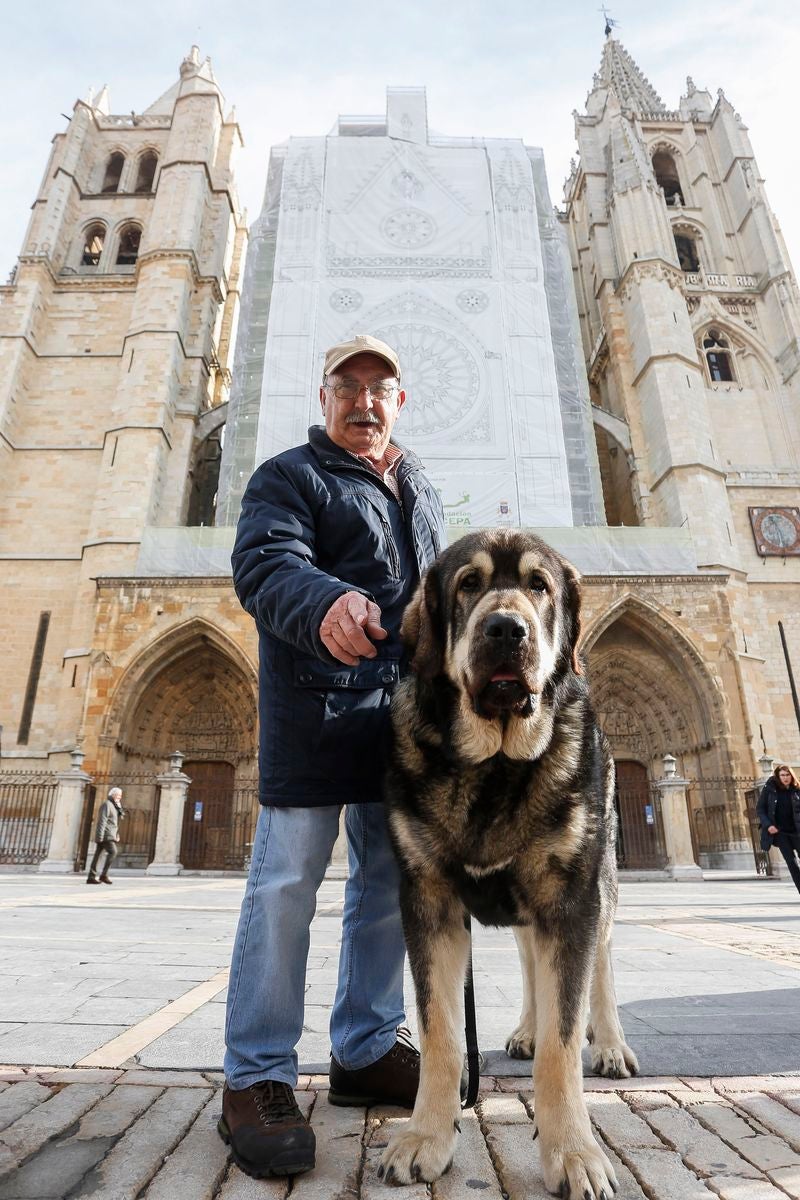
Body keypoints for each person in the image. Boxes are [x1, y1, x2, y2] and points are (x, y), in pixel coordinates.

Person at [219, 334, 446, 1180]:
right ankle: (257, 1077)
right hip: (316, 707)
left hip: (403, 723)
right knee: (285, 888)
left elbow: (434, 597)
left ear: (399, 399)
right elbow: (265, 565)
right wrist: (326, 601)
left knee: (390, 887)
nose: (364, 401)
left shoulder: (418, 483)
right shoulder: (287, 476)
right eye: (347, 387)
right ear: (324, 399)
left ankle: (362, 1051)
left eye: (380, 387)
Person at [757, 763, 800, 893]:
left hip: (797, 831)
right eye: (782, 775)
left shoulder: (797, 790)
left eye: (788, 775)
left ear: (792, 776)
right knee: (792, 863)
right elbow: (760, 809)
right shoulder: (770, 789)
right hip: (781, 833)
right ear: (777, 776)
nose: (785, 778)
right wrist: (768, 825)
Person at [86, 787, 124, 885]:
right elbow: (102, 821)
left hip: (110, 834)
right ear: (113, 795)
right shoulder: (107, 804)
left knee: (97, 856)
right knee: (113, 852)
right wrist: (100, 836)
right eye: (118, 795)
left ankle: (91, 876)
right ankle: (103, 875)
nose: (120, 797)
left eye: (120, 795)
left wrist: (117, 834)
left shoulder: (115, 806)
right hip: (106, 835)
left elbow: (115, 823)